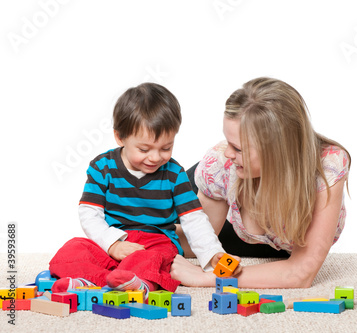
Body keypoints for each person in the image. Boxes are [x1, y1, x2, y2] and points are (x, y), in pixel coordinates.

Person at [49, 83, 231, 297]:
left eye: (166, 148)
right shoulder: (102, 167)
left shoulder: (174, 173)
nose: (155, 157)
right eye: (144, 149)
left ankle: (137, 282)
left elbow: (194, 219)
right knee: (73, 248)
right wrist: (112, 245)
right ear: (120, 137)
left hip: (155, 242)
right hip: (114, 238)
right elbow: (89, 213)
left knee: (157, 259)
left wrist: (213, 254)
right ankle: (90, 281)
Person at [172, 77, 351, 289]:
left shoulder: (328, 166)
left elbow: (300, 274)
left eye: (238, 148)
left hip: (274, 242)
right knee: (148, 218)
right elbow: (198, 242)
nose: (228, 152)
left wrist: (208, 279)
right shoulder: (221, 163)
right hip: (227, 212)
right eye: (228, 142)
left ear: (277, 152)